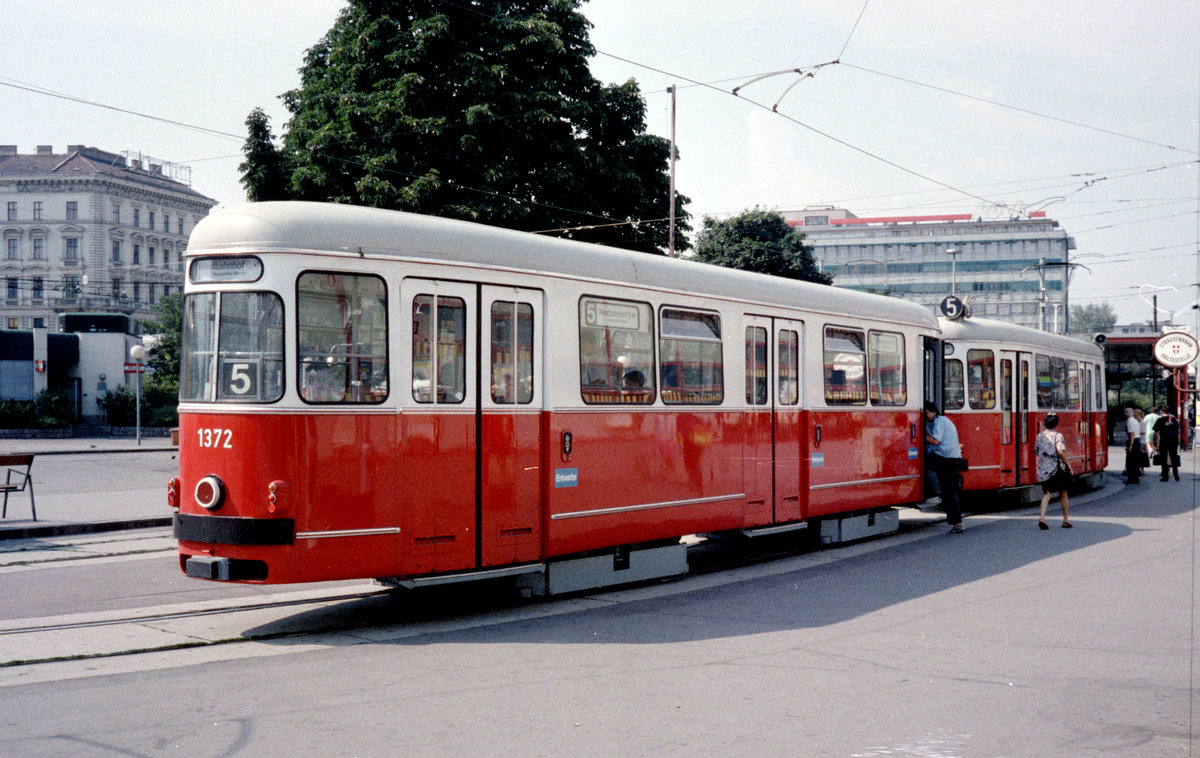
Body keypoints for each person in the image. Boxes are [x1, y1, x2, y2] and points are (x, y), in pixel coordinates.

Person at [924, 401, 964, 533]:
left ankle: (932, 492)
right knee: (948, 491)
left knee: (948, 490)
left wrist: (920, 435)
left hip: (947, 458)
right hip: (947, 457)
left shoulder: (940, 421)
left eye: (927, 412)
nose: (926, 415)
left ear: (934, 412)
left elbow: (935, 441)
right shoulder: (939, 421)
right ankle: (956, 522)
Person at [1035, 414, 1072, 529]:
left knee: (1046, 494)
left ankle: (1042, 517)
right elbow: (1060, 452)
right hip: (1057, 470)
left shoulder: (1040, 436)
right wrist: (1068, 464)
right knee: (1063, 494)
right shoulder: (1058, 436)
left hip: (1044, 470)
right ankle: (1065, 520)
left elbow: (1036, 450)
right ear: (1056, 424)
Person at [1153, 406, 1181, 481]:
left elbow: (1155, 432)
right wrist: (1178, 441)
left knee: (1163, 458)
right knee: (1173, 457)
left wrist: (1155, 442)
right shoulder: (1174, 419)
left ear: (1162, 412)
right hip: (1173, 441)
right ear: (1169, 412)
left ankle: (1165, 476)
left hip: (1164, 440)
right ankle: (1175, 473)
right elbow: (1178, 431)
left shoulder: (1160, 420)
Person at [1124, 407, 1141, 484]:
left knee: (1130, 461)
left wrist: (1130, 445)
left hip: (1133, 441)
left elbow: (1132, 433)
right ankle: (1136, 477)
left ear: (1126, 414)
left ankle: (1131, 478)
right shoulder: (1135, 420)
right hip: (1137, 440)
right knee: (1136, 461)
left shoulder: (1129, 421)